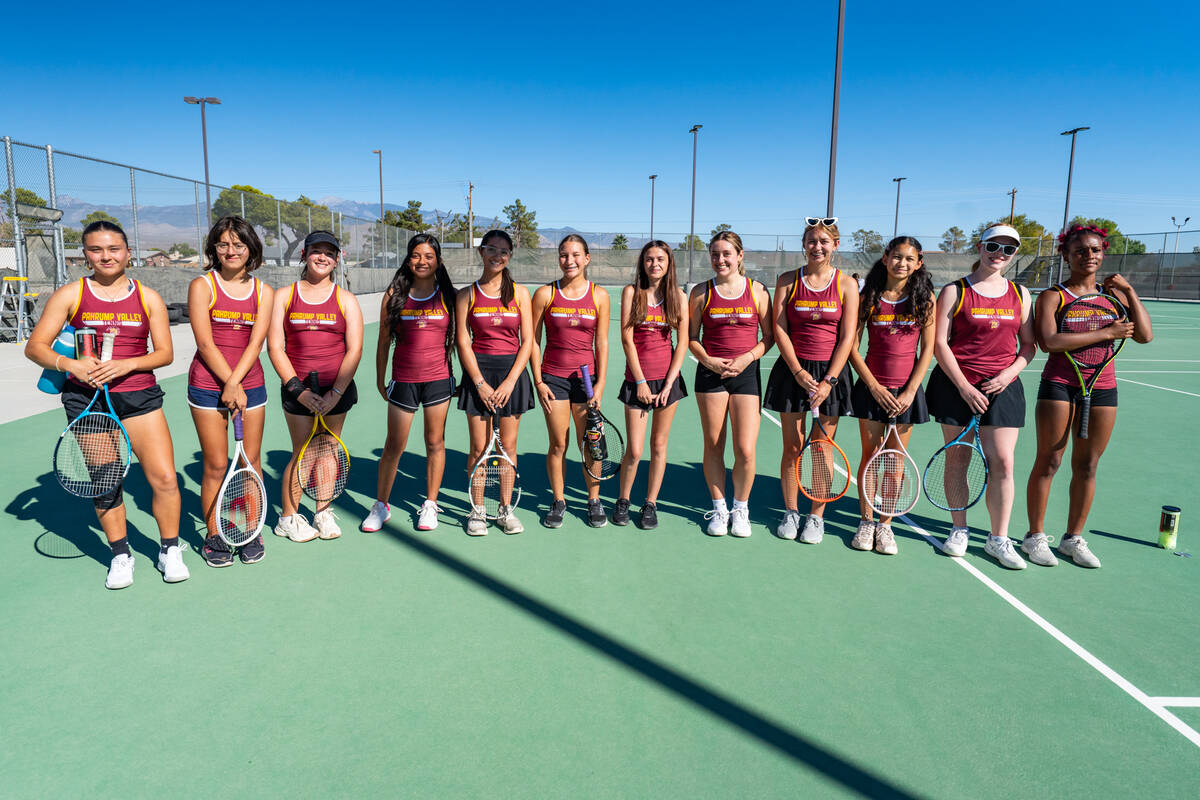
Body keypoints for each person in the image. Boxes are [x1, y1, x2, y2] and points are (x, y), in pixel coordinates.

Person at [24, 220, 186, 589]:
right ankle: (121, 555)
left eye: (113, 248)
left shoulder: (148, 298)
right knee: (106, 481)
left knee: (162, 477)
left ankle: (169, 550)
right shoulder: (71, 295)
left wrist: (128, 363)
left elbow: (165, 354)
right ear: (85, 255)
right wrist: (71, 365)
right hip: (87, 401)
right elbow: (36, 347)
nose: (106, 256)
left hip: (139, 397)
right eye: (96, 249)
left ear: (128, 253)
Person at [1023, 224, 1152, 568]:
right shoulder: (1054, 296)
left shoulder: (1115, 298)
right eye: (1080, 251)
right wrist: (1107, 331)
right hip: (1060, 386)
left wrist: (1129, 291)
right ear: (1066, 255)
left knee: (1088, 465)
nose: (1089, 256)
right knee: (1049, 461)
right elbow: (1049, 341)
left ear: (1103, 253)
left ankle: (1072, 539)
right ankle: (1035, 538)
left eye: (1095, 250)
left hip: (1103, 388)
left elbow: (1144, 336)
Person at [927, 224, 1036, 569]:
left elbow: (1029, 345)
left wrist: (1008, 374)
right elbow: (939, 344)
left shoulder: (1020, 294)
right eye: (993, 246)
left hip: (1003, 388)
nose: (999, 254)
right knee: (958, 459)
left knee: (1002, 463)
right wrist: (964, 387)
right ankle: (959, 529)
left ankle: (998, 539)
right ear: (980, 247)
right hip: (956, 387)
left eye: (1008, 249)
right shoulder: (954, 291)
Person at [187, 216, 274, 567]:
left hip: (250, 386)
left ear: (251, 248)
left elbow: (257, 343)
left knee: (250, 462)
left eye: (238, 244)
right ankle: (215, 535)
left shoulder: (263, 292)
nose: (231, 251)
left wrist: (237, 383)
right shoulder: (202, 286)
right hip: (206, 387)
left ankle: (251, 529)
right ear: (213, 249)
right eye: (223, 244)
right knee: (215, 464)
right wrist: (228, 384)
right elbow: (205, 344)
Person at [765, 217, 858, 543]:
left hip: (830, 375)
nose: (817, 247)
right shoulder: (788, 280)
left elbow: (847, 337)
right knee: (792, 446)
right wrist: (799, 372)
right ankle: (791, 512)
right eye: (811, 241)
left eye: (823, 241)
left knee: (821, 448)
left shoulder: (847, 284)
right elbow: (779, 328)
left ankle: (816, 517)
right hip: (794, 372)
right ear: (804, 245)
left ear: (835, 245)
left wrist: (828, 381)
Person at [267, 230, 364, 542]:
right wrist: (299, 390)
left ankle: (322, 511)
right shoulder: (284, 296)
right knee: (303, 452)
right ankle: (288, 517)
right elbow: (275, 348)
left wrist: (335, 393)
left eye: (329, 253)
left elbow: (355, 349)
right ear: (304, 254)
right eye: (316, 251)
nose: (322, 257)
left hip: (337, 389)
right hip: (299, 390)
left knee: (327, 449)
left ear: (337, 259)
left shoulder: (345, 299)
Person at [361, 233, 457, 534]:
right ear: (408, 259)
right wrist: (380, 378)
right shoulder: (395, 294)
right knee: (394, 445)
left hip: (439, 380)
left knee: (435, 442)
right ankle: (381, 505)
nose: (422, 261)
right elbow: (383, 341)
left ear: (438, 261)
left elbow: (464, 338)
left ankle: (430, 504)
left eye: (428, 256)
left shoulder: (449, 296)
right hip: (404, 380)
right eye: (416, 255)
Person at [846, 236, 935, 555]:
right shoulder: (867, 295)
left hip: (906, 393)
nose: (902, 263)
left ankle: (885, 526)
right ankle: (866, 521)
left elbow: (928, 350)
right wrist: (872, 386)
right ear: (885, 258)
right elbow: (852, 347)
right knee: (870, 457)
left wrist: (911, 390)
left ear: (918, 263)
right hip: (872, 389)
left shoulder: (925, 298)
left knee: (895, 463)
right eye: (897, 257)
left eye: (910, 259)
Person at [688, 231, 774, 537]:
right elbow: (691, 339)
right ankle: (720, 508)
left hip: (746, 373)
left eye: (726, 253)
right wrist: (709, 361)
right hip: (710, 375)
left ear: (740, 255)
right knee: (714, 445)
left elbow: (769, 338)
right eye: (714, 254)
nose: (720, 259)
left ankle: (741, 509)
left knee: (746, 450)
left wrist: (747, 358)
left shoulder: (758, 291)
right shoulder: (700, 293)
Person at [455, 230, 535, 535]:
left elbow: (527, 341)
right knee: (479, 448)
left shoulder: (521, 294)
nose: (496, 256)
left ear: (510, 256)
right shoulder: (467, 295)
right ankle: (477, 510)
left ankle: (504, 509)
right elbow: (463, 342)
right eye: (491, 249)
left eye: (503, 251)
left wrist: (511, 381)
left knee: (508, 448)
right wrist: (479, 383)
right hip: (479, 375)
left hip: (512, 376)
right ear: (481, 252)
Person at [531, 234, 611, 528]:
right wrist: (539, 381)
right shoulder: (544, 294)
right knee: (558, 444)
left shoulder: (599, 295)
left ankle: (593, 500)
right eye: (564, 255)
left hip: (586, 382)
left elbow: (602, 343)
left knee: (591, 443)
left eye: (576, 255)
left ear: (587, 259)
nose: (570, 261)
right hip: (554, 379)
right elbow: (533, 342)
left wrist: (600, 384)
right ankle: (559, 499)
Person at [614, 240, 689, 529]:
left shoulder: (678, 297)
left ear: (669, 263)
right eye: (649, 259)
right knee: (634, 449)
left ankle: (650, 503)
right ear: (642, 263)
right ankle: (623, 499)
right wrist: (642, 382)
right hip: (638, 382)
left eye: (660, 259)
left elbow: (681, 343)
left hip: (668, 381)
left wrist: (669, 383)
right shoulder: (631, 293)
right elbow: (627, 339)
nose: (654, 264)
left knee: (659, 445)